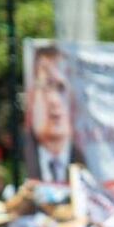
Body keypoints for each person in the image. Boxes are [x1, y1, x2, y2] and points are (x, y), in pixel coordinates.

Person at [24, 45, 81, 183]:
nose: (54, 101)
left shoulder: (88, 163)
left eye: (61, 88)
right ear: (31, 96)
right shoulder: (21, 153)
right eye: (46, 87)